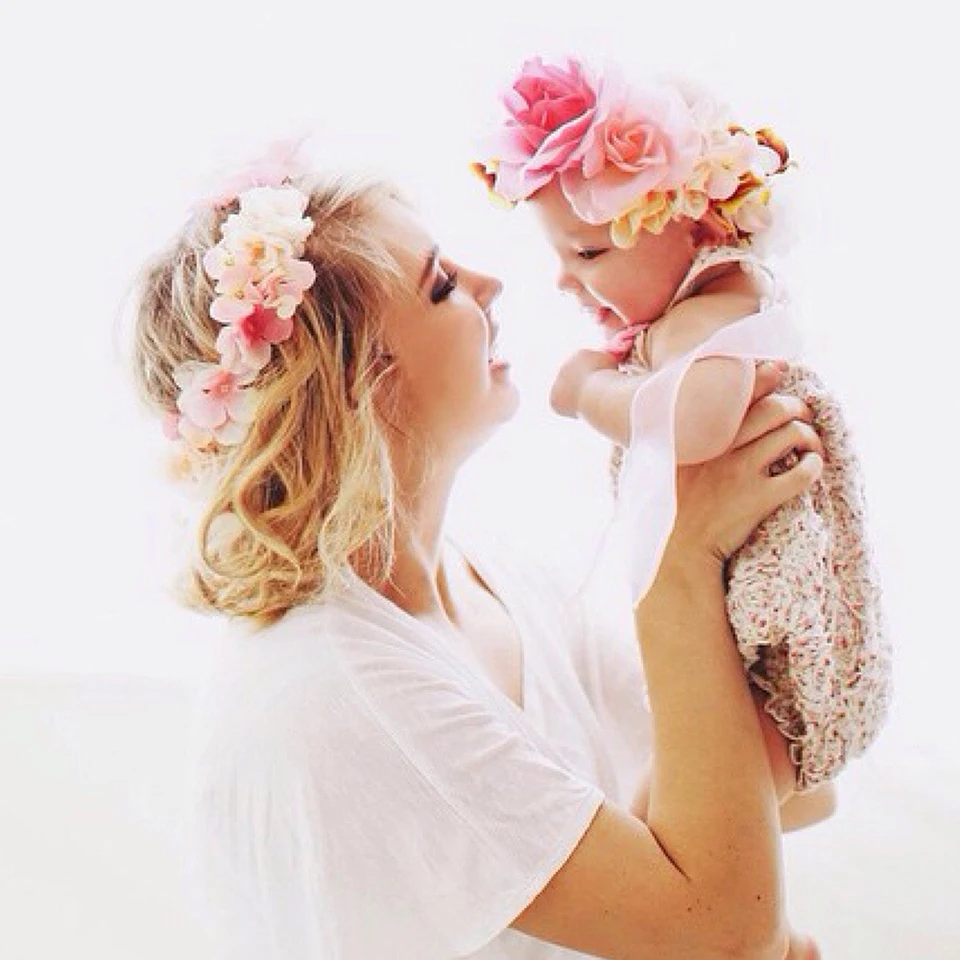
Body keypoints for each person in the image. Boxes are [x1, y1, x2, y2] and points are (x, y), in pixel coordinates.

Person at [127, 145, 828, 959]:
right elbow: (723, 931)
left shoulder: (493, 580)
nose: (488, 285)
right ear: (358, 386)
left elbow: (782, 791)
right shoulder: (342, 690)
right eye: (441, 285)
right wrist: (680, 558)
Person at [472, 54, 892, 797]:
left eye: (589, 252)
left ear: (694, 226)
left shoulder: (713, 305)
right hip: (749, 625)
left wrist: (589, 390)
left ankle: (732, 898)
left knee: (676, 802)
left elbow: (692, 425)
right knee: (683, 779)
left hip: (785, 640)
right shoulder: (688, 313)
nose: (567, 277)